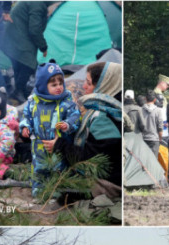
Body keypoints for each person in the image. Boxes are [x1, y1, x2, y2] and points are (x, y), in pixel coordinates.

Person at [45, 61, 123, 199]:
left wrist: (59, 145)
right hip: (111, 176)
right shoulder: (112, 108)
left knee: (59, 193)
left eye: (89, 83)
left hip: (109, 183)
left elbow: (92, 161)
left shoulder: (104, 119)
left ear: (103, 85)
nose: (84, 86)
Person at [20, 60, 80, 198]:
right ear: (42, 86)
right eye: (54, 84)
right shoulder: (33, 102)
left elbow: (75, 116)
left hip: (58, 146)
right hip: (39, 146)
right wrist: (25, 127)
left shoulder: (66, 102)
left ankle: (56, 194)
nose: (59, 87)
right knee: (38, 170)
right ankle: (38, 193)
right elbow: (26, 116)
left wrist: (68, 124)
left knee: (58, 170)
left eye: (60, 83)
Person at [1, 1, 50, 102]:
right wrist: (43, 47)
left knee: (19, 64)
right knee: (27, 64)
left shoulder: (38, 4)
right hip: (17, 38)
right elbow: (35, 29)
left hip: (13, 37)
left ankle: (21, 90)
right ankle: (18, 91)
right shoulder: (37, 4)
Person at [142, 91, 165, 158]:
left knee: (144, 160)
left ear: (145, 98)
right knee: (154, 161)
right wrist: (160, 138)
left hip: (143, 138)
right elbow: (160, 127)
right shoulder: (158, 111)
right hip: (154, 139)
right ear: (155, 100)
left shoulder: (140, 110)